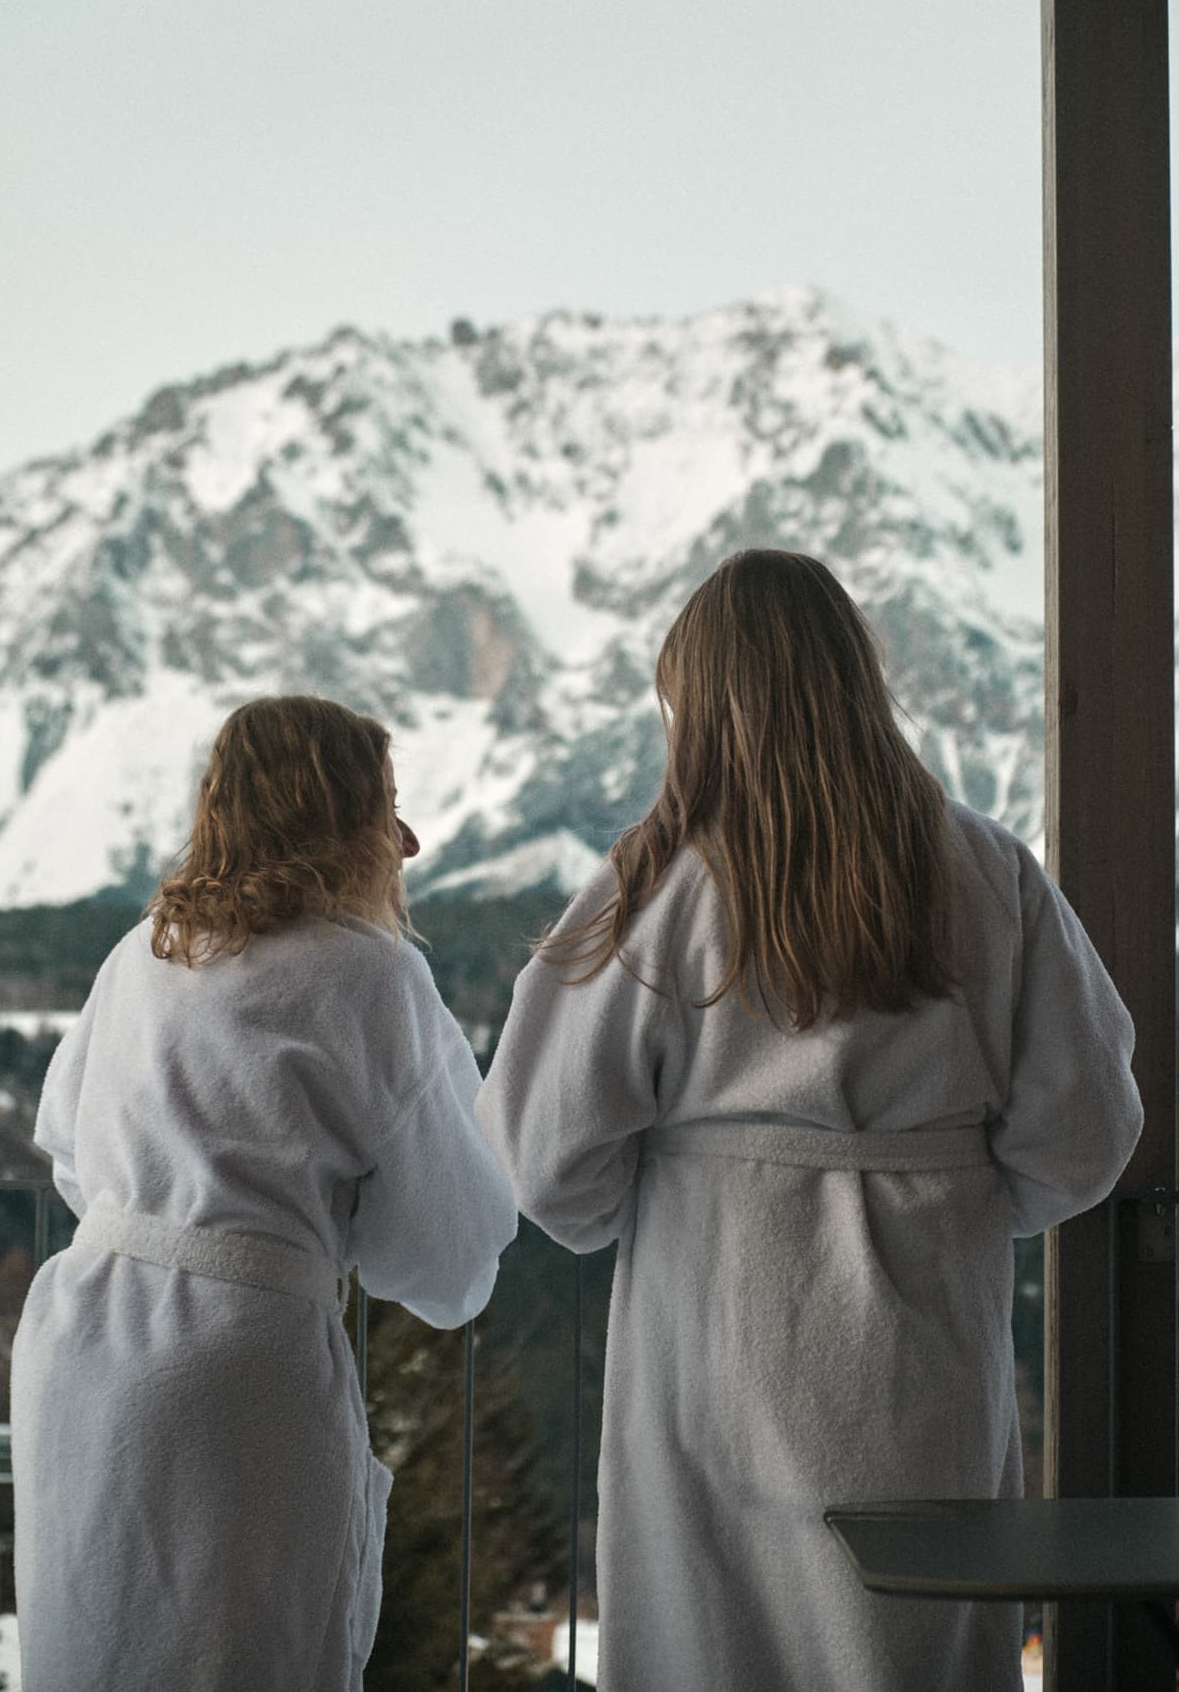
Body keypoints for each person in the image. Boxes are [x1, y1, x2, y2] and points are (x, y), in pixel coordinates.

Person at [474, 549, 1142, 1692]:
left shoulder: (656, 884)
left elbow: (540, 1153)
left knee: (713, 1644)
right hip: (924, 1350)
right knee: (914, 1636)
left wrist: (650, 1196)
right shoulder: (987, 870)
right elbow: (1081, 1130)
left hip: (714, 1342)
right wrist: (957, 1196)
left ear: (697, 707)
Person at [10, 694, 516, 1692]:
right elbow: (448, 1249)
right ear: (343, 818)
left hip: (77, 1346)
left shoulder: (146, 948)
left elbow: (67, 1147)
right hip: (238, 1368)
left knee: (91, 1648)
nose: (406, 842)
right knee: (248, 1655)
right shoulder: (371, 978)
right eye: (388, 807)